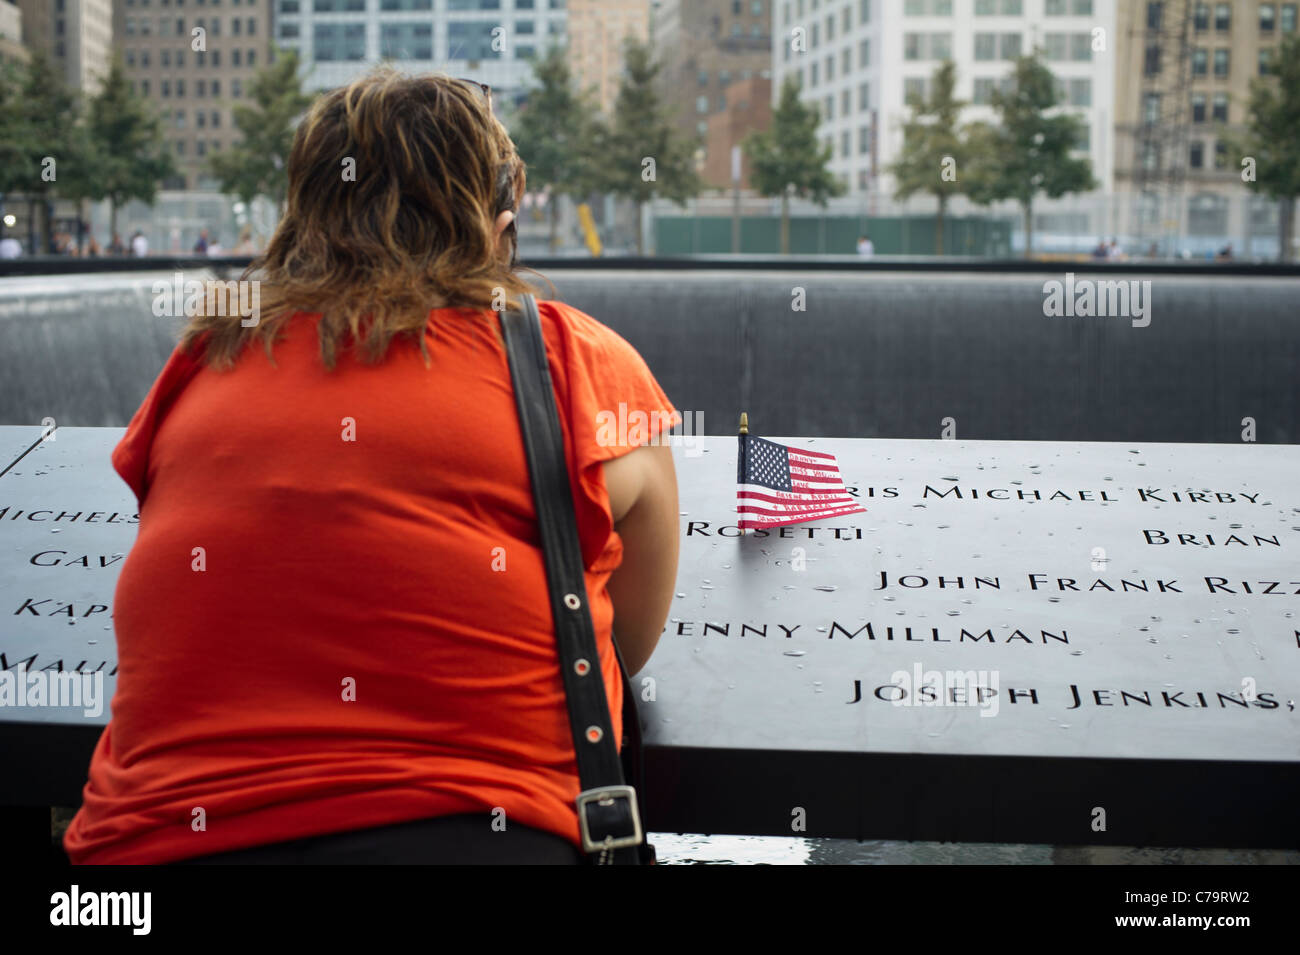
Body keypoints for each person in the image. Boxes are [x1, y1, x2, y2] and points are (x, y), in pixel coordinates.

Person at [63, 69, 681, 866]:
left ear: (302, 216)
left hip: (147, 857)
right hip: (486, 843)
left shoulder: (208, 356)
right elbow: (625, 645)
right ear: (497, 225)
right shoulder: (576, 365)